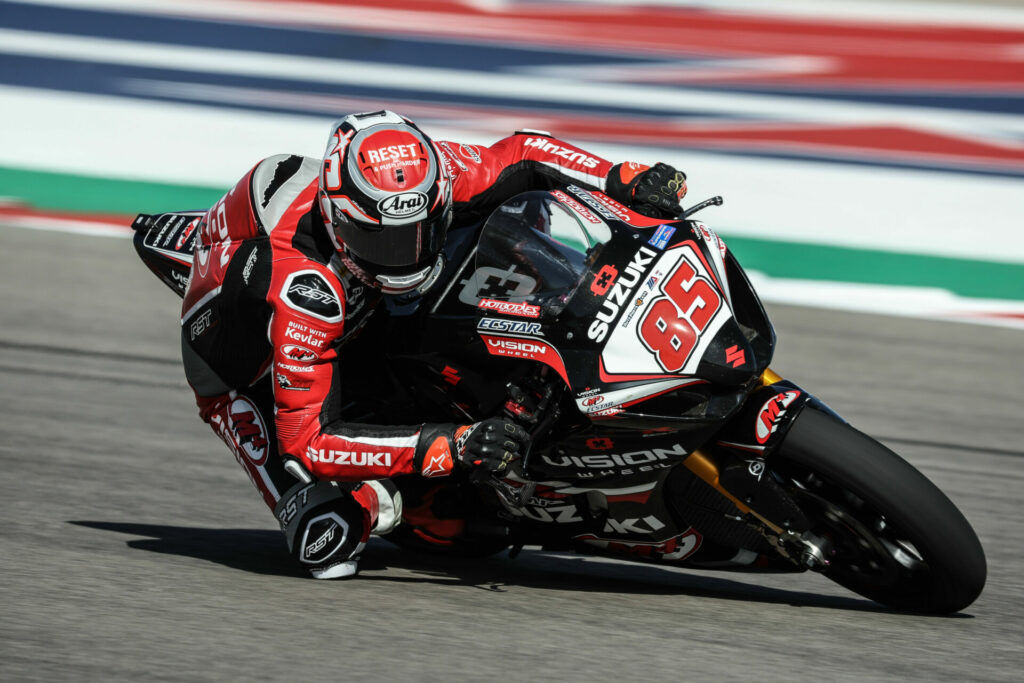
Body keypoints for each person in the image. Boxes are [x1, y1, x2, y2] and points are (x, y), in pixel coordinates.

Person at [180, 109, 688, 578]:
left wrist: (623, 178)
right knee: (329, 538)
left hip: (367, 303)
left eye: (420, 232)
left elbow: (524, 153)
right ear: (340, 222)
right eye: (384, 242)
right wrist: (452, 445)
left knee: (502, 234)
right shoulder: (307, 296)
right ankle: (377, 503)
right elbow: (309, 441)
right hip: (244, 367)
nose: (406, 256)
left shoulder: (430, 173)